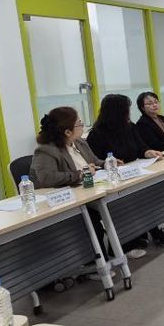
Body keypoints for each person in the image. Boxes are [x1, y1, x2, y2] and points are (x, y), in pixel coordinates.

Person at [28, 106, 144, 270]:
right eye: (79, 123)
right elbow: (47, 178)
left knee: (121, 203)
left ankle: (119, 248)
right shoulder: (46, 150)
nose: (82, 126)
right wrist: (80, 174)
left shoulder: (79, 142)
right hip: (66, 200)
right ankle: (96, 264)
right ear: (67, 131)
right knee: (92, 218)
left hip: (89, 191)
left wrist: (107, 163)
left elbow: (94, 162)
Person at [87, 94, 164, 247]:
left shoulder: (129, 126)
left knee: (146, 196)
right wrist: (109, 163)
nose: (129, 113)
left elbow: (140, 147)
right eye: (126, 110)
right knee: (133, 201)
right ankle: (130, 241)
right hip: (113, 180)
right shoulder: (97, 133)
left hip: (134, 172)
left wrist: (148, 152)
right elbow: (96, 161)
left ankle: (149, 231)